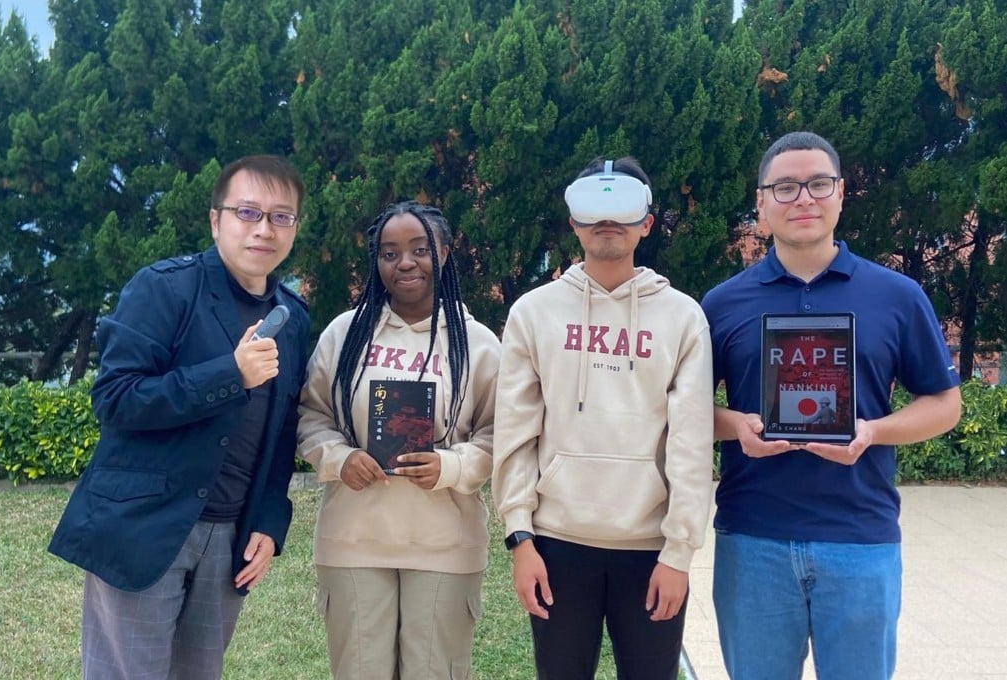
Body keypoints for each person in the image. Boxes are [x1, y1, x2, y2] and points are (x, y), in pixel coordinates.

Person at [701, 131, 962, 679]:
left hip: (861, 540)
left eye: (818, 184)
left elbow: (944, 403)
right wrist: (737, 426)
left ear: (841, 194)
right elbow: (686, 410)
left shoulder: (896, 295)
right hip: (753, 539)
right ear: (761, 203)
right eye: (786, 187)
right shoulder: (723, 304)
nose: (803, 199)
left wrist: (871, 431)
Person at [48, 154, 311, 680]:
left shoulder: (293, 317)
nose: (264, 229)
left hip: (230, 535)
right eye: (248, 212)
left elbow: (284, 430)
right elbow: (117, 398)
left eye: (281, 216)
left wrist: (269, 519)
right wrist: (229, 375)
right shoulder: (164, 288)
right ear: (216, 220)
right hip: (146, 527)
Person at [491, 157, 714, 679]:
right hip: (557, 544)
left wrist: (679, 553)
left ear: (647, 222)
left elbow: (690, 441)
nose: (607, 221)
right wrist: (520, 538)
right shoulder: (533, 312)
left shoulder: (681, 317)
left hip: (650, 549)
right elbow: (517, 432)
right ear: (573, 220)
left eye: (623, 208)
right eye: (594, 207)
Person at [296, 201, 501, 680]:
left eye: (419, 249)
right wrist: (340, 459)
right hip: (354, 541)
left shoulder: (479, 343)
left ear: (445, 253)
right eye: (389, 253)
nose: (404, 262)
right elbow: (311, 415)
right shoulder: (345, 335)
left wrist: (450, 467)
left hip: (444, 544)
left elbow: (500, 435)